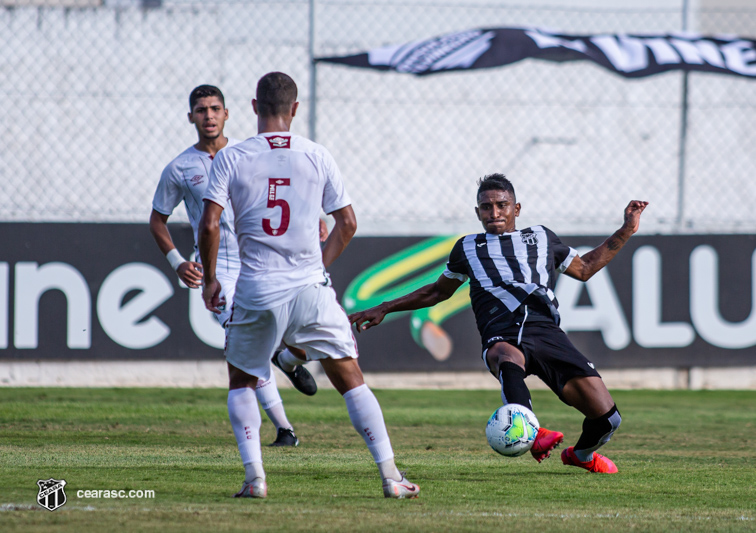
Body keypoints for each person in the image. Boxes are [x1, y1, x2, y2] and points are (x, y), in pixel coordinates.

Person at [198, 72, 420, 499]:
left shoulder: (232, 157)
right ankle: (391, 476)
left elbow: (210, 224)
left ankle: (255, 479)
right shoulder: (317, 155)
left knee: (242, 380)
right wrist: (317, 265)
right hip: (309, 288)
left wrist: (210, 279)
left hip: (257, 287)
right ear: (294, 109)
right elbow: (348, 223)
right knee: (351, 379)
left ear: (253, 107)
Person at [349, 174, 648, 474]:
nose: (494, 213)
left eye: (501, 205)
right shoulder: (467, 248)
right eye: (486, 207)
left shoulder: (542, 238)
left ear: (516, 209)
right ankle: (532, 431)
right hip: (501, 330)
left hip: (546, 332)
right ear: (477, 212)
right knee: (506, 355)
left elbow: (584, 269)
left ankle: (580, 454)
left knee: (608, 419)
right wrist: (385, 307)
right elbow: (437, 291)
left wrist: (626, 229)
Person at [149, 84, 316, 448]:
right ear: (191, 116)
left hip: (262, 259)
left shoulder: (249, 154)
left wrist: (314, 213)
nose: (208, 115)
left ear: (227, 114)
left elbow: (288, 186)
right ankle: (285, 429)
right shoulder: (179, 168)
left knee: (299, 336)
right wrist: (178, 262)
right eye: (201, 110)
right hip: (219, 268)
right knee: (247, 342)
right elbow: (157, 220)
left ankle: (287, 359)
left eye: (215, 108)